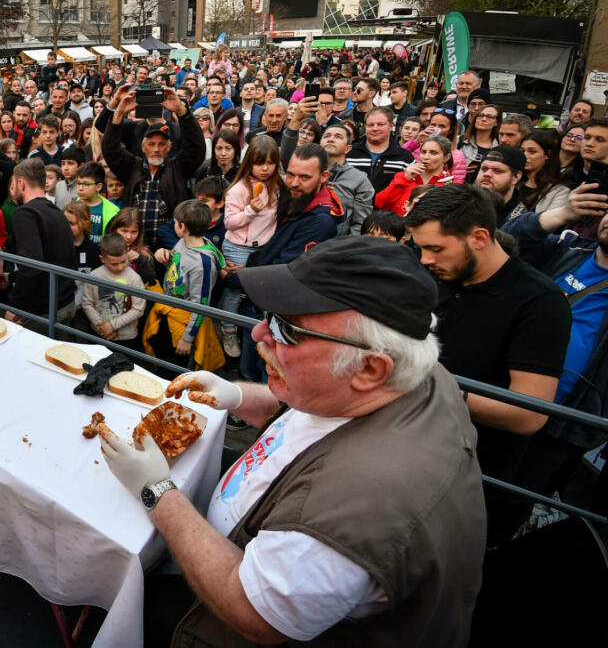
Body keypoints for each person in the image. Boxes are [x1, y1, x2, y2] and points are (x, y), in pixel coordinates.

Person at [109, 235, 485, 645]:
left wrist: (156, 492)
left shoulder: (359, 507)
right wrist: (241, 396)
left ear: (372, 368)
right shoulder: (406, 374)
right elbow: (327, 404)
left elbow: (253, 612)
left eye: (286, 329)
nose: (258, 334)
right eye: (268, 316)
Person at [404, 184, 571, 546]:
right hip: (408, 452)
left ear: (479, 237)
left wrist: (424, 387)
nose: (425, 260)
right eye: (421, 248)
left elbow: (529, 413)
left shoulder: (539, 303)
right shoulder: (437, 276)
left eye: (435, 248)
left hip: (470, 475)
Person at [502, 183, 608, 525]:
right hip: (504, 393)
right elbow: (504, 241)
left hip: (564, 422)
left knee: (513, 501)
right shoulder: (568, 249)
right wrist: (561, 215)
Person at [239, 144, 344, 381]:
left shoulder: (321, 221)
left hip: (281, 307)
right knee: (249, 358)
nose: (295, 183)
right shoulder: (295, 195)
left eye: (305, 177)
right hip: (260, 291)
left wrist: (240, 277)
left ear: (323, 177)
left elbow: (289, 268)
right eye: (291, 175)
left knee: (270, 369)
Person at [104, 85, 203, 248]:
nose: (156, 149)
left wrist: (181, 111)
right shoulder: (132, 168)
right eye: (151, 144)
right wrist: (119, 113)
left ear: (169, 147)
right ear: (143, 147)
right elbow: (110, 150)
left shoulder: (177, 167)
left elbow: (196, 147)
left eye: (162, 144)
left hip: (169, 246)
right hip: (135, 245)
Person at [220, 137, 283, 357]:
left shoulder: (277, 186)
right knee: (235, 290)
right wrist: (250, 211)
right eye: (259, 163)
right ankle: (227, 328)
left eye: (270, 162)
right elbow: (228, 222)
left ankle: (257, 335)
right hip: (238, 247)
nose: (265, 168)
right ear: (249, 163)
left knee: (260, 294)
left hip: (263, 249)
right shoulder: (238, 189)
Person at [145, 199, 225, 370]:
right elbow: (179, 268)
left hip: (184, 325)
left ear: (183, 227)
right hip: (170, 312)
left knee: (176, 369)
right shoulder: (182, 243)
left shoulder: (203, 263)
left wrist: (187, 338)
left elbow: (201, 305)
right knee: (162, 357)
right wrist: (164, 255)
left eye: (174, 223)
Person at [2, 159, 77, 333]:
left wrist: (13, 308)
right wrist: (12, 277)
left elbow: (32, 267)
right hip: (65, 304)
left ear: (20, 183)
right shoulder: (57, 212)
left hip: (43, 311)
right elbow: (52, 257)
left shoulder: (25, 214)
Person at [81, 232, 146, 350]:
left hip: (126, 338)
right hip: (98, 334)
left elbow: (138, 309)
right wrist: (101, 327)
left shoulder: (134, 279)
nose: (120, 267)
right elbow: (87, 303)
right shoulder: (94, 275)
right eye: (114, 264)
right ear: (102, 259)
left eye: (124, 261)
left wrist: (112, 326)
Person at [375, 136, 454, 214]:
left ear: (446, 157)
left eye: (434, 153)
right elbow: (380, 204)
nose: (426, 157)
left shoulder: (451, 185)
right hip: (398, 225)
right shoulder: (405, 176)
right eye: (423, 152)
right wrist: (404, 178)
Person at [319, 124, 375, 235]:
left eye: (338, 136)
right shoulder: (307, 172)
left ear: (348, 148)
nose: (330, 139)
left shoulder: (359, 179)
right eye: (326, 136)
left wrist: (347, 249)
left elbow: (360, 224)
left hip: (337, 244)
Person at [345, 107, 414, 192]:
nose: (375, 128)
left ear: (391, 126)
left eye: (380, 124)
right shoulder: (349, 153)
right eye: (370, 125)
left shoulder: (405, 158)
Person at [518, 131, 571, 213]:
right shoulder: (511, 180)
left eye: (532, 152)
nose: (525, 156)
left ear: (547, 154)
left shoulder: (559, 191)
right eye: (522, 151)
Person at [74, 162, 118, 242]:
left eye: (86, 184)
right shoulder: (73, 206)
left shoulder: (112, 211)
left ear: (98, 187)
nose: (80, 188)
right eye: (79, 183)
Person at [459, 104, 501, 182]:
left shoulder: (499, 148)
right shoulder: (459, 141)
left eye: (489, 116)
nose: (484, 119)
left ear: (496, 122)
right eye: (480, 115)